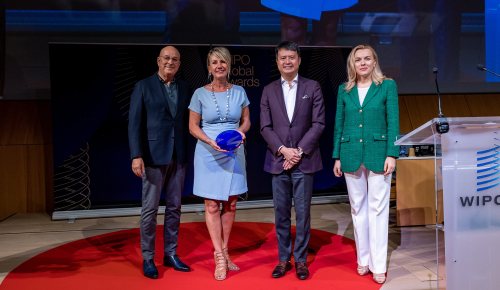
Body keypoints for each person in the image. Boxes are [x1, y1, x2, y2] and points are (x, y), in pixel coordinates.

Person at [332, 44, 399, 284]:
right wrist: (337, 156)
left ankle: (378, 265)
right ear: (352, 64)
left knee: (378, 210)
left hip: (379, 154)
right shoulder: (344, 89)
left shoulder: (387, 86)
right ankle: (363, 259)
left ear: (374, 61)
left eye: (367, 59)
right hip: (350, 153)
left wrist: (392, 153)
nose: (362, 63)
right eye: (358, 59)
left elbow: (393, 122)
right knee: (357, 209)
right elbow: (339, 124)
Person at [260, 41, 325, 280]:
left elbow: (318, 124)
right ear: (277, 62)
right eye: (283, 58)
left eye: (291, 57)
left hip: (304, 160)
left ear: (298, 60)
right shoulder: (268, 90)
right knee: (281, 213)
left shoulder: (313, 86)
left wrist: (297, 151)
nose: (287, 61)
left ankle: (300, 260)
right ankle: (282, 259)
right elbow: (265, 127)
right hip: (278, 161)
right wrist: (283, 151)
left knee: (303, 212)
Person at [128, 45, 192, 279]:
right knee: (150, 210)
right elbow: (134, 123)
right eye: (166, 58)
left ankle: (171, 253)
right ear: (158, 60)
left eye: (175, 59)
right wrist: (136, 155)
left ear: (179, 63)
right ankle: (148, 258)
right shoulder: (143, 86)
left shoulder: (185, 87)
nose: (170, 62)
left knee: (175, 207)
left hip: (179, 155)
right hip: (153, 156)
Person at [188, 47, 251, 281]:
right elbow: (193, 126)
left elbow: (246, 122)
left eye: (223, 62)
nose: (219, 66)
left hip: (234, 150)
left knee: (231, 204)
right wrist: (210, 141)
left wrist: (240, 133)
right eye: (214, 62)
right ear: (209, 67)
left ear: (229, 65)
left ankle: (225, 250)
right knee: (212, 205)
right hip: (208, 152)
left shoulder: (240, 92)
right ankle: (219, 256)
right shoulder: (199, 94)